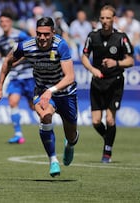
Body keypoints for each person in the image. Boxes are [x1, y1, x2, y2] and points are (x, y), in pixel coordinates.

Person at [0, 17, 79, 177]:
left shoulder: (60, 45)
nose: (42, 38)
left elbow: (70, 77)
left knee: (72, 136)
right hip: (41, 90)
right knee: (45, 116)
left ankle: (70, 145)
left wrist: (51, 90)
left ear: (53, 33)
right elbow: (7, 61)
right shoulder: (26, 46)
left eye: (46, 34)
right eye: (39, 34)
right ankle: (53, 160)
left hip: (65, 93)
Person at [81, 5, 134, 163]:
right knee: (96, 121)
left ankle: (107, 152)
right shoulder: (92, 36)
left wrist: (116, 63)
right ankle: (109, 139)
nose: (105, 21)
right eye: (102, 18)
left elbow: (131, 60)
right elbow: (84, 56)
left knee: (110, 120)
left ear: (114, 19)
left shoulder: (121, 37)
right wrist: (92, 69)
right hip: (97, 82)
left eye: (108, 18)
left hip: (114, 82)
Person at [0, 10, 34, 144]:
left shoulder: (21, 35)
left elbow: (31, 47)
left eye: (6, 21)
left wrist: (17, 61)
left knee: (34, 107)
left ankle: (58, 122)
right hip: (14, 77)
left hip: (28, 75)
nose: (4, 24)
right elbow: (5, 57)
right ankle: (18, 134)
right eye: (1, 21)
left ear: (11, 22)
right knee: (12, 102)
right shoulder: (0, 40)